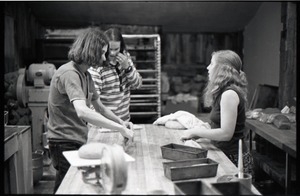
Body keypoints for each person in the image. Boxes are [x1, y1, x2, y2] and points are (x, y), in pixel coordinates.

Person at [47, 27, 134, 193]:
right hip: (62, 141)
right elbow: (83, 111)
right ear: (91, 51)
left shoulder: (85, 75)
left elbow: (100, 107)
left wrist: (122, 122)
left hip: (75, 138)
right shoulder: (70, 73)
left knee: (67, 187)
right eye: (102, 53)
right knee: (68, 188)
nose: (104, 57)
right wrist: (120, 129)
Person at [180, 50, 253, 175]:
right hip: (223, 153)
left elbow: (226, 134)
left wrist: (194, 131)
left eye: (212, 64)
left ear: (221, 69)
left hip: (234, 159)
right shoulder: (223, 92)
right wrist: (203, 132)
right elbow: (219, 126)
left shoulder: (229, 94)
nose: (208, 68)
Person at [88, 27, 142, 123]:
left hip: (124, 121)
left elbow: (137, 85)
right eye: (110, 49)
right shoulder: (97, 68)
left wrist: (127, 68)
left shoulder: (125, 57)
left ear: (121, 47)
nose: (113, 53)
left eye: (116, 49)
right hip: (104, 124)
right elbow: (93, 105)